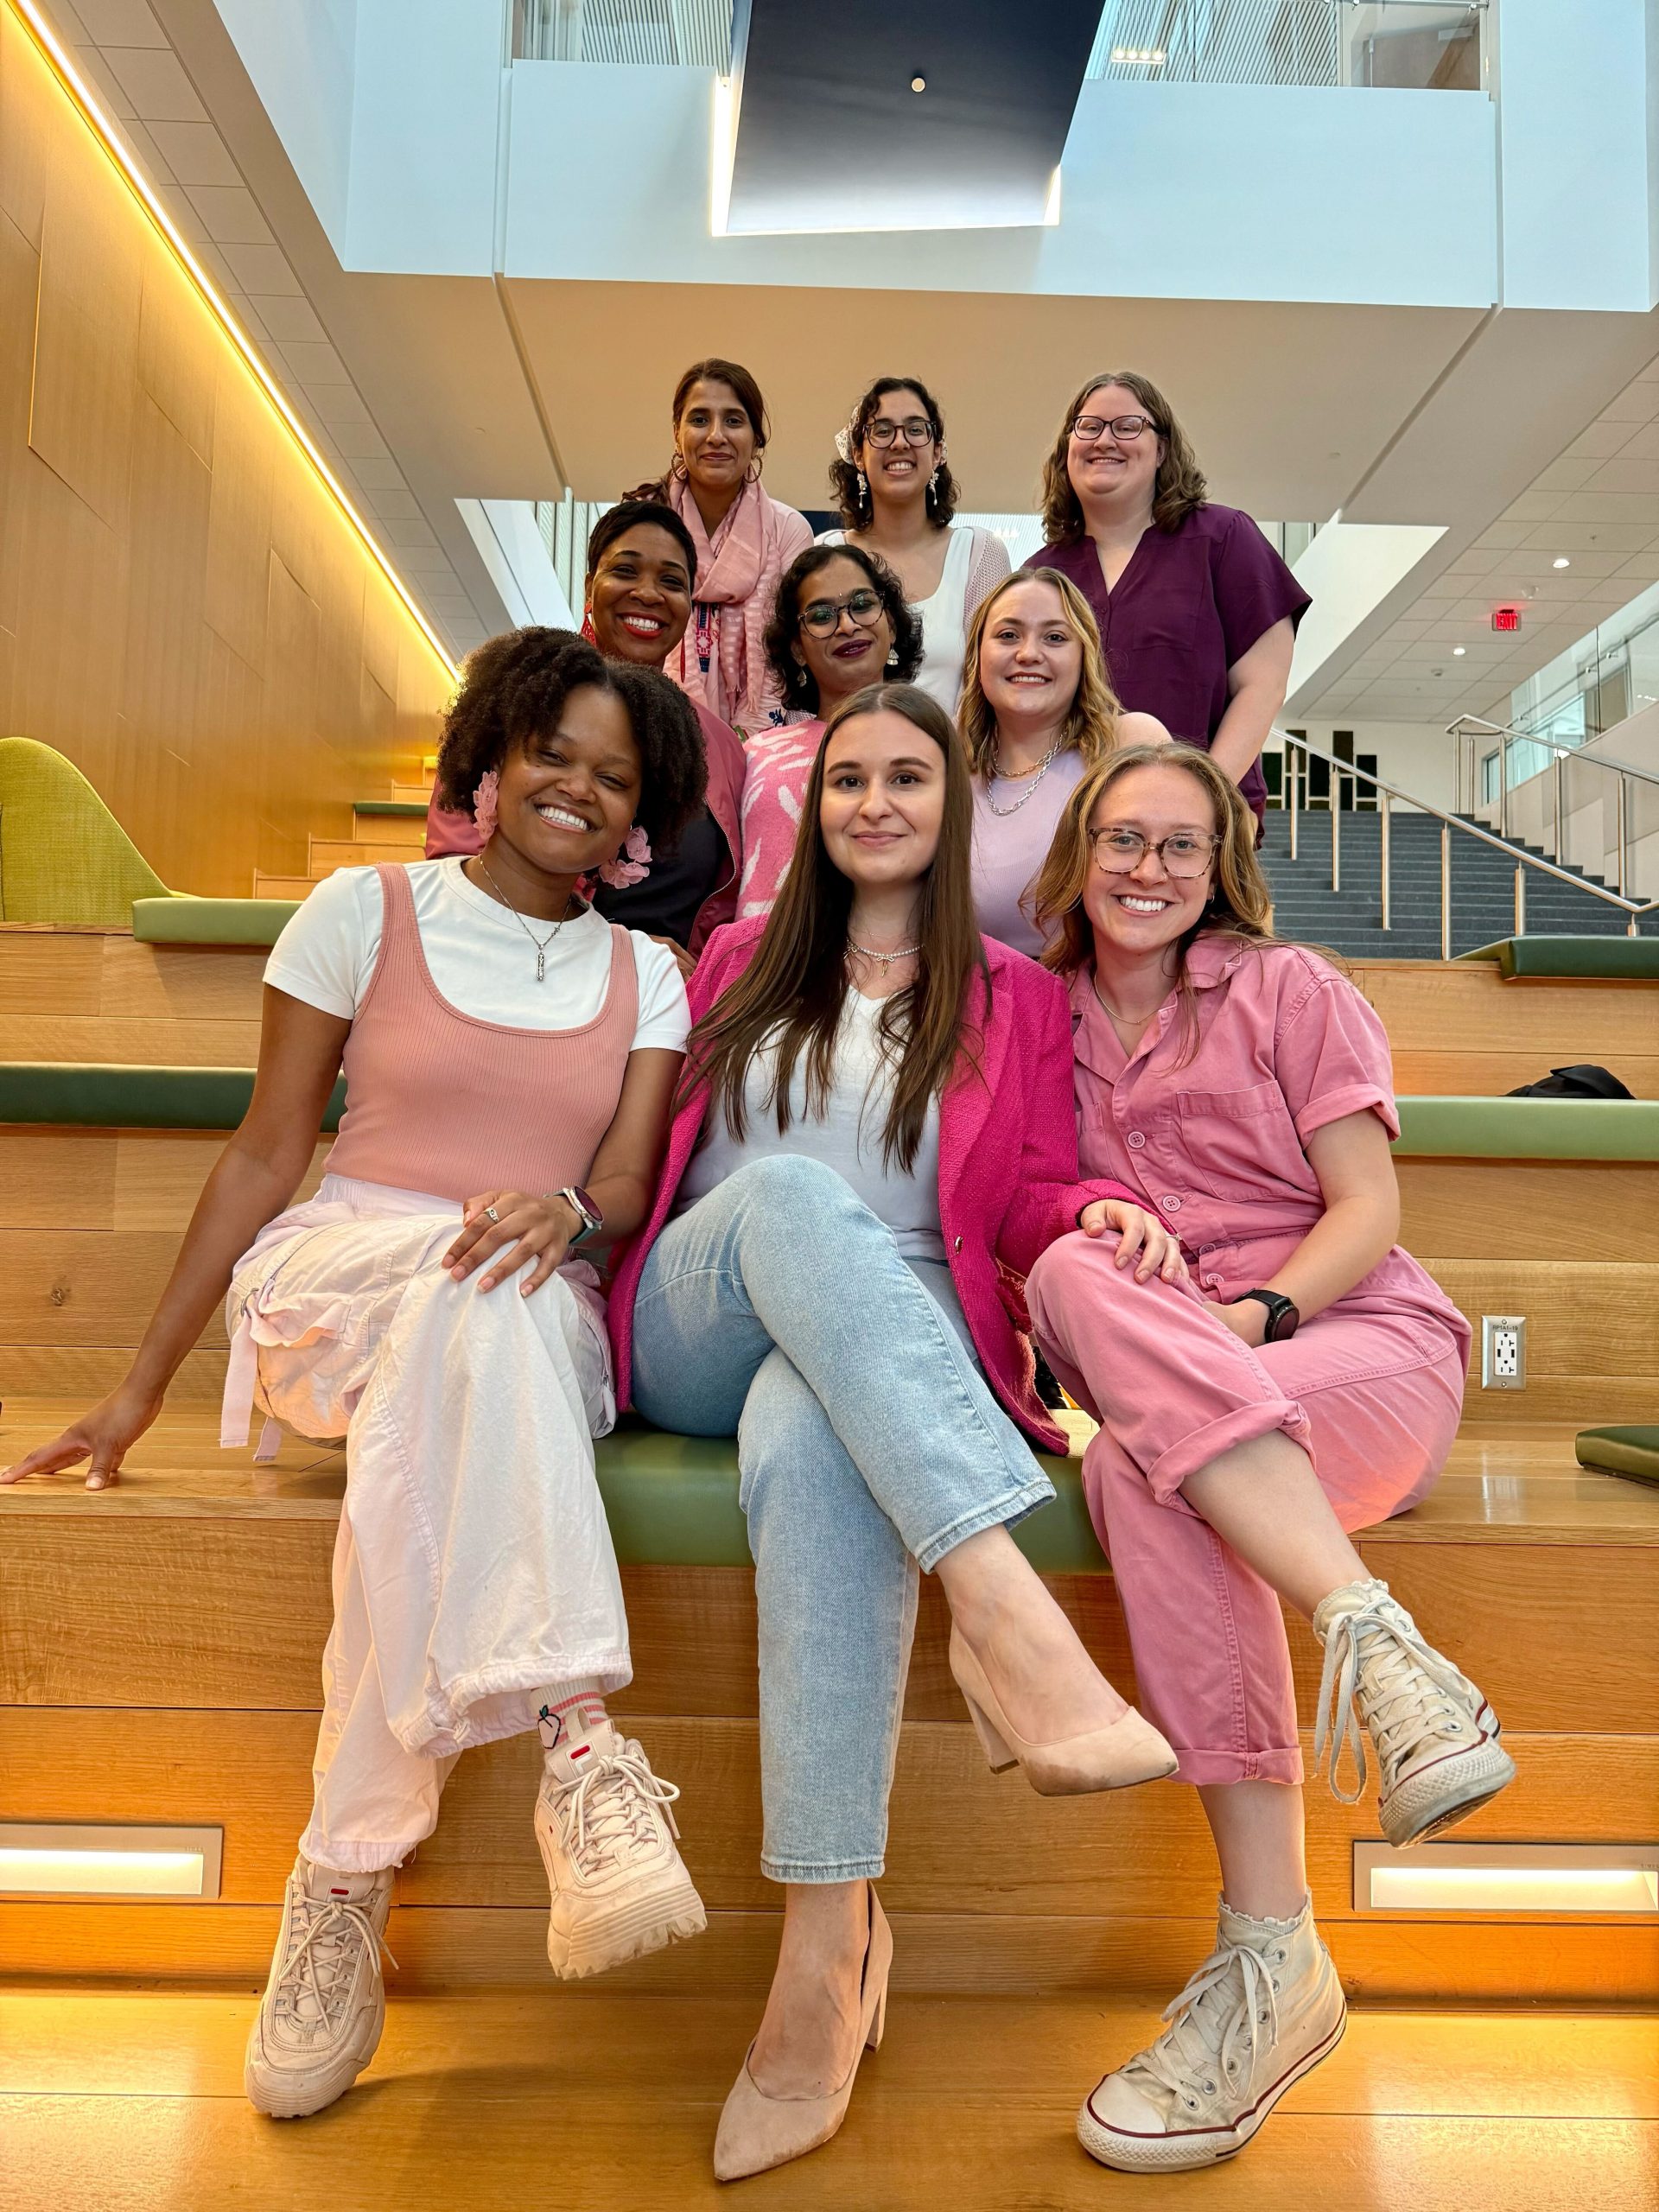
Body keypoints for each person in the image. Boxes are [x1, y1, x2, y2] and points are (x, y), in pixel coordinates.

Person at [3, 632, 714, 2120]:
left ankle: (339, 1878)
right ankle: (577, 1745)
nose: (576, 789)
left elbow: (632, 1183)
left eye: (613, 777)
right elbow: (267, 1150)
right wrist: (138, 1390)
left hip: (531, 1295)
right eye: (553, 756)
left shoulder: (651, 974)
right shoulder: (361, 908)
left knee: (474, 1336)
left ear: (640, 818)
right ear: (493, 760)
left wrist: (566, 1214)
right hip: (341, 1278)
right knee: (462, 1306)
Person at [607, 683, 1185, 2182]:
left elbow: (1040, 1183)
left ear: (949, 809)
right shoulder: (731, 959)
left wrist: (1099, 1210)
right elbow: (639, 1150)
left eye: (909, 779)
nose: (874, 800)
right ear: (817, 809)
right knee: (801, 1201)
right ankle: (1006, 1614)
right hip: (706, 1306)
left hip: (891, 1346)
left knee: (816, 1438)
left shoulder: (1017, 992)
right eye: (849, 776)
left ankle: (825, 1953)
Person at [1020, 741, 1515, 2175]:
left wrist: (1250, 1315)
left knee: (1140, 1464)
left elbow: (1367, 1204)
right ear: (1079, 855)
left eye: (1181, 846)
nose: (1149, 869)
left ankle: (1275, 1955)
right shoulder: (1028, 1017)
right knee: (1076, 1289)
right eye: (1122, 839)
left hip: (1349, 1347)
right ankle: (1371, 1653)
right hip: (1166, 1373)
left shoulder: (1292, 989)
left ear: (1218, 863)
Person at [427, 502, 745, 966]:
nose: (648, 593)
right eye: (625, 570)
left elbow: (720, 914)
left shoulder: (721, 746)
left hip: (661, 1012)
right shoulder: (517, 700)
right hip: (511, 971)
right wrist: (598, 954)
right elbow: (454, 863)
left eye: (672, 581)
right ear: (589, 587)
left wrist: (697, 976)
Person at [1027, 369, 1309, 821]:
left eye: (1128, 426)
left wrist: (1198, 803)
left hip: (1201, 826)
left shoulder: (1223, 537)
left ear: (1161, 449)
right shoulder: (1041, 573)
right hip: (1075, 826)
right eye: (1089, 426)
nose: (1104, 440)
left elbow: (1263, 684)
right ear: (1067, 450)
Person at [961, 569, 1167, 957]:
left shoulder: (1129, 745)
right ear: (977, 656)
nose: (1029, 653)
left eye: (1055, 637)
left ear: (1083, 655)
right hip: (981, 1004)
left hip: (1108, 1002)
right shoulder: (945, 768)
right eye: (1008, 635)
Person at [736, 543, 923, 919]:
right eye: (822, 615)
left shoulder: (934, 745)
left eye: (863, 604)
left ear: (891, 624)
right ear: (798, 649)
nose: (848, 625)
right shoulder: (754, 754)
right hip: (765, 966)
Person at [627, 356, 812, 732]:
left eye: (733, 420)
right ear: (677, 431)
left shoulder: (788, 530)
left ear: (756, 437)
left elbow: (798, 653)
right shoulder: (642, 521)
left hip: (762, 741)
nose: (716, 436)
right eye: (699, 419)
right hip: (647, 724)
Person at [817, 374, 1010, 710]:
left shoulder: (979, 554)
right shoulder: (825, 553)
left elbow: (993, 688)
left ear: (938, 453)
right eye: (882, 430)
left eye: (916, 429)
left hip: (955, 758)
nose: (899, 442)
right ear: (858, 456)